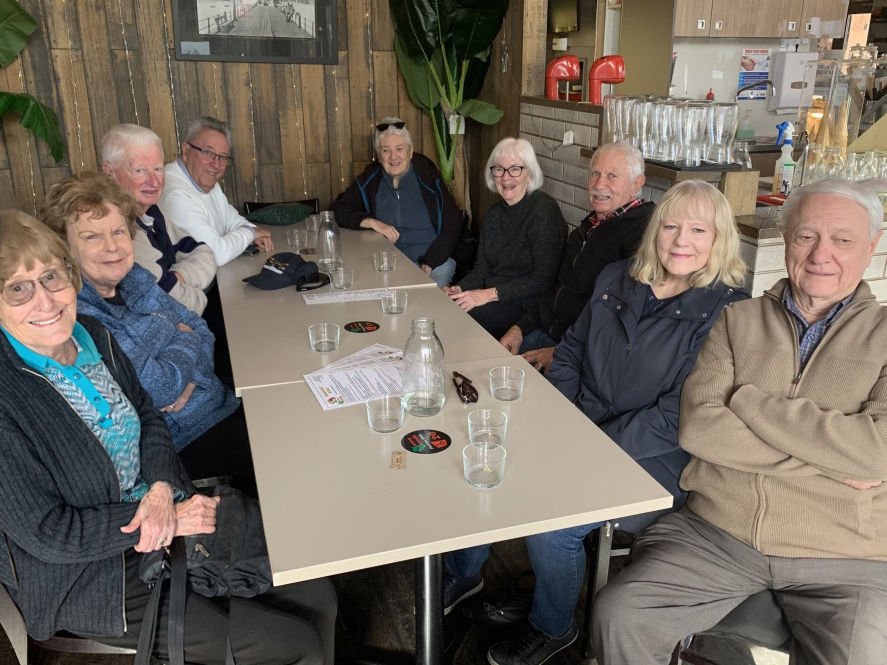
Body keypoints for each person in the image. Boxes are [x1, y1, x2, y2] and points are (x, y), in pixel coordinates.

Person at [0, 209, 336, 665]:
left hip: (163, 515)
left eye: (52, 277)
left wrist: (160, 491)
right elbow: (48, 535)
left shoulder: (92, 334)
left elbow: (149, 417)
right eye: (18, 288)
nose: (45, 301)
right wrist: (163, 520)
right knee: (295, 645)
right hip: (88, 575)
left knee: (318, 595)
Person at [445, 180, 748, 665]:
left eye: (698, 229)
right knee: (490, 452)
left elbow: (680, 414)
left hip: (658, 459)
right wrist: (566, 420)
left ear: (720, 240)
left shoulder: (725, 312)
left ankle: (554, 626)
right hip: (583, 425)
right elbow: (570, 353)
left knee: (552, 524)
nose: (680, 240)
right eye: (670, 225)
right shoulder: (617, 279)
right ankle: (467, 572)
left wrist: (591, 444)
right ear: (655, 230)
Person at [592, 179, 887, 665]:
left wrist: (748, 403)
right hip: (718, 534)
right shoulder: (739, 320)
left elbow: (877, 453)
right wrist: (834, 461)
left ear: (872, 246)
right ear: (787, 238)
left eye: (843, 240)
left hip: (844, 556)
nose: (821, 255)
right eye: (807, 236)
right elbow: (700, 429)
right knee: (620, 615)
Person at [39, 172, 253, 493]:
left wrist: (184, 361)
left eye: (118, 231)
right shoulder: (83, 316)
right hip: (182, 439)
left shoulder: (133, 276)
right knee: (280, 449)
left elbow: (201, 329)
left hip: (214, 403)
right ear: (64, 248)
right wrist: (184, 341)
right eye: (92, 237)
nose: (112, 247)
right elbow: (163, 389)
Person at [499, 141, 653, 373]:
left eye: (612, 176)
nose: (599, 184)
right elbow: (558, 292)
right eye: (595, 174)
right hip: (547, 334)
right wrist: (519, 328)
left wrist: (564, 353)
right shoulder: (589, 227)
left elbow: (617, 323)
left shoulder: (642, 235)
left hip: (579, 356)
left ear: (637, 184)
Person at [445, 137, 566, 339]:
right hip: (494, 295)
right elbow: (482, 269)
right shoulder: (494, 214)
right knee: (446, 307)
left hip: (527, 303)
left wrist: (488, 294)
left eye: (515, 169)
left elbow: (542, 280)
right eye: (499, 169)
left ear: (529, 174)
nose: (505, 177)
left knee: (466, 320)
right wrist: (458, 288)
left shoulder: (544, 211)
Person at [330, 117, 461, 287]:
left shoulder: (427, 176)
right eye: (386, 150)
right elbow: (337, 210)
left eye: (399, 149)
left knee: (429, 305)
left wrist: (430, 262)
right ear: (379, 155)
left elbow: (453, 223)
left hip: (434, 264)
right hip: (388, 264)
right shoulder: (371, 178)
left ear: (410, 151)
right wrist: (371, 222)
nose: (393, 157)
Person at [102, 123, 216, 314]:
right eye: (139, 170)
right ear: (109, 172)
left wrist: (179, 276)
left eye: (158, 169)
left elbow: (203, 252)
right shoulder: (118, 229)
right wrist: (203, 299)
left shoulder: (151, 214)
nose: (154, 182)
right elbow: (170, 303)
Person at [159, 116, 274, 266]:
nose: (216, 164)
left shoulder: (203, 179)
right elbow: (215, 254)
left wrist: (252, 231)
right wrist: (250, 233)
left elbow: (230, 219)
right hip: (194, 287)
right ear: (186, 151)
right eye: (208, 152)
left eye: (223, 157)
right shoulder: (176, 195)